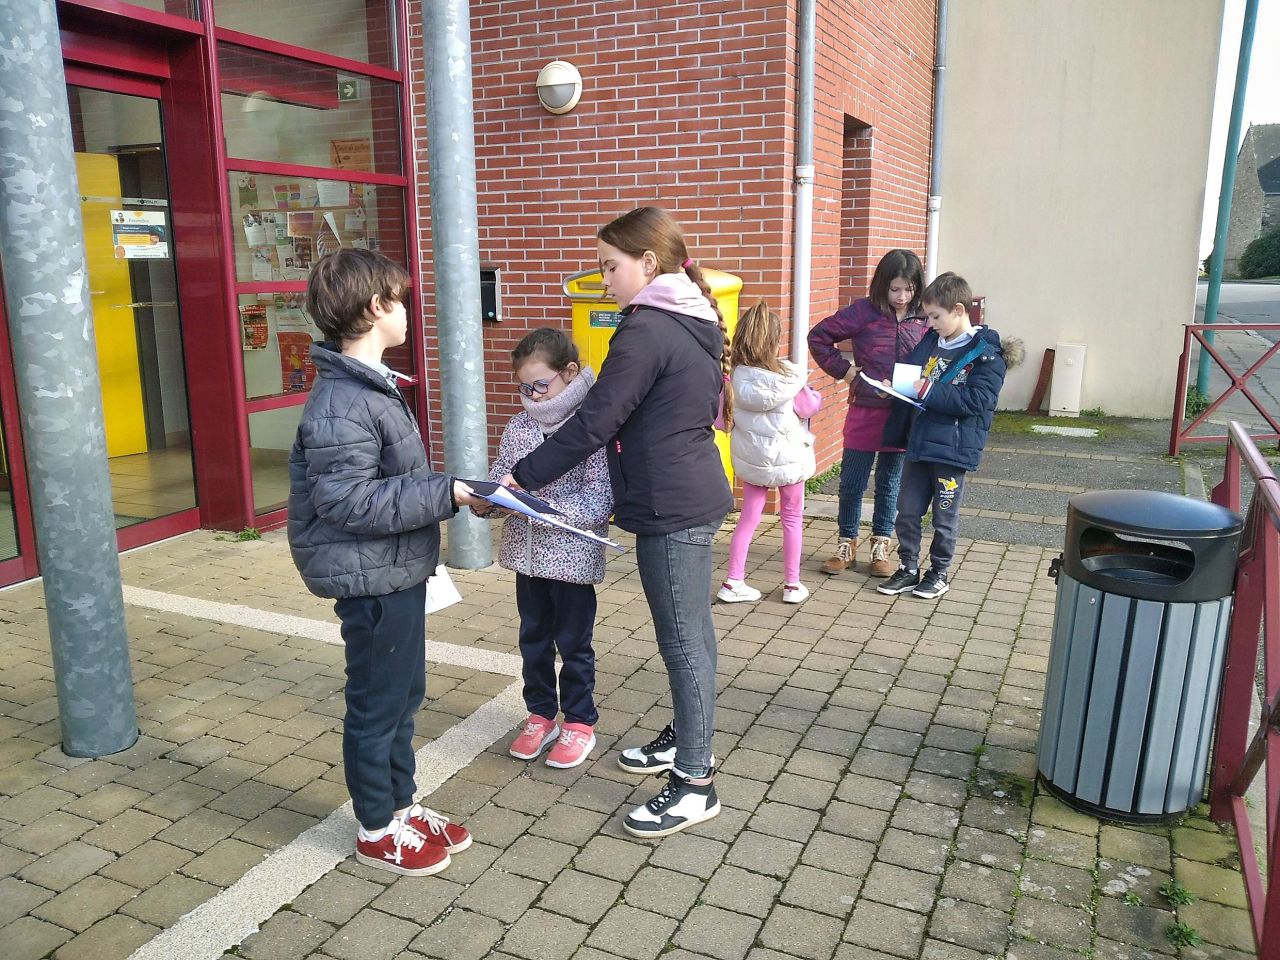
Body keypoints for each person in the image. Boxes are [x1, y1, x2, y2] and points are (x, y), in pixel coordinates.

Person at [501, 206, 733, 839]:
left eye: (610, 266)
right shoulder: (685, 316)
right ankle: (686, 737)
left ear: (648, 264)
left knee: (684, 641)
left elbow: (596, 420)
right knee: (692, 635)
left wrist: (521, 477)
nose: (603, 280)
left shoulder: (647, 328)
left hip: (671, 505)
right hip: (684, 495)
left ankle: (695, 782)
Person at [287, 248, 483, 876]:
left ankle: (401, 805)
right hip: (371, 579)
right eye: (399, 301)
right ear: (376, 308)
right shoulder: (343, 401)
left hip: (395, 570)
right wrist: (448, 493)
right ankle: (376, 827)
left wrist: (450, 492)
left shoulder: (368, 386)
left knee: (403, 696)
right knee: (377, 706)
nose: (406, 311)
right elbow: (346, 501)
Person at [487, 328, 613, 769]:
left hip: (572, 560)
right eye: (524, 388)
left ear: (570, 373)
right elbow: (501, 475)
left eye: (540, 385)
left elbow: (600, 497)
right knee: (534, 641)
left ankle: (579, 721)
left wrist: (545, 511)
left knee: (574, 644)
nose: (533, 396)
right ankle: (540, 715)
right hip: (526, 558)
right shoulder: (519, 426)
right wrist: (488, 500)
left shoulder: (590, 425)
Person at [877, 271, 1007, 600]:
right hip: (919, 442)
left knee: (944, 516)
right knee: (907, 510)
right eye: (928, 317)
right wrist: (895, 387)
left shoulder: (987, 355)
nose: (930, 324)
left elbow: (978, 401)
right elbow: (912, 373)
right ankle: (908, 568)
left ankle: (939, 572)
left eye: (936, 316)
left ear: (959, 310)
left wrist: (929, 390)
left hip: (953, 449)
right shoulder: (931, 341)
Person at [808, 250, 927, 577]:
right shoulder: (864, 312)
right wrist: (846, 372)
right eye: (894, 289)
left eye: (908, 289)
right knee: (852, 482)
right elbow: (818, 337)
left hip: (901, 414)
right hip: (864, 410)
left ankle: (880, 547)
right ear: (881, 285)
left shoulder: (925, 318)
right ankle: (846, 544)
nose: (901, 297)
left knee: (889, 484)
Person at [717, 300, 817, 605]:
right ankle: (792, 585)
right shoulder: (789, 377)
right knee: (792, 518)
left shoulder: (732, 377)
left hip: (753, 460)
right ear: (774, 341)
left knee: (749, 517)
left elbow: (720, 421)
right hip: (789, 460)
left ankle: (733, 581)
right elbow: (808, 407)